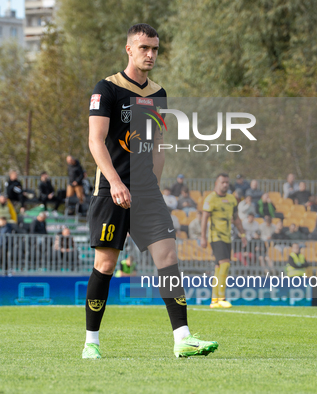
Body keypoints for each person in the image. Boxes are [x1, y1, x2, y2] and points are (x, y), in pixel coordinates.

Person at [84, 23, 217, 359]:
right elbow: (95, 141)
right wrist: (116, 183)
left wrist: (152, 186)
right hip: (110, 191)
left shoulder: (157, 94)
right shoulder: (108, 89)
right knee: (106, 264)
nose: (150, 55)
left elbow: (157, 144)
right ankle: (91, 342)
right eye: (144, 48)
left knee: (168, 258)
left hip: (146, 193)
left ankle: (182, 338)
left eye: (155, 49)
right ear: (129, 49)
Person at [200, 173, 244, 308]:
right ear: (216, 184)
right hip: (216, 236)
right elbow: (205, 218)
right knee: (225, 264)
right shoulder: (211, 199)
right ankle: (221, 298)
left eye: (226, 182)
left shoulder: (231, 199)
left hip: (227, 237)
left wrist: (243, 234)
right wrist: (203, 237)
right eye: (222, 182)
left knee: (218, 267)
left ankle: (214, 300)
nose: (225, 184)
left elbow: (236, 218)